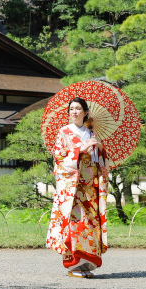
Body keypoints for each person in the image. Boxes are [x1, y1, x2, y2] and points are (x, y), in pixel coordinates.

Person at [45, 96, 108, 278]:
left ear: (86, 112)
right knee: (74, 224)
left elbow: (100, 163)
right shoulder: (64, 132)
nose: (74, 111)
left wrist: (99, 148)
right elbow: (58, 157)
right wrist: (79, 150)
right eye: (71, 108)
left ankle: (86, 264)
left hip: (89, 187)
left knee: (90, 225)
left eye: (78, 108)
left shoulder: (92, 133)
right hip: (71, 189)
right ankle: (74, 265)